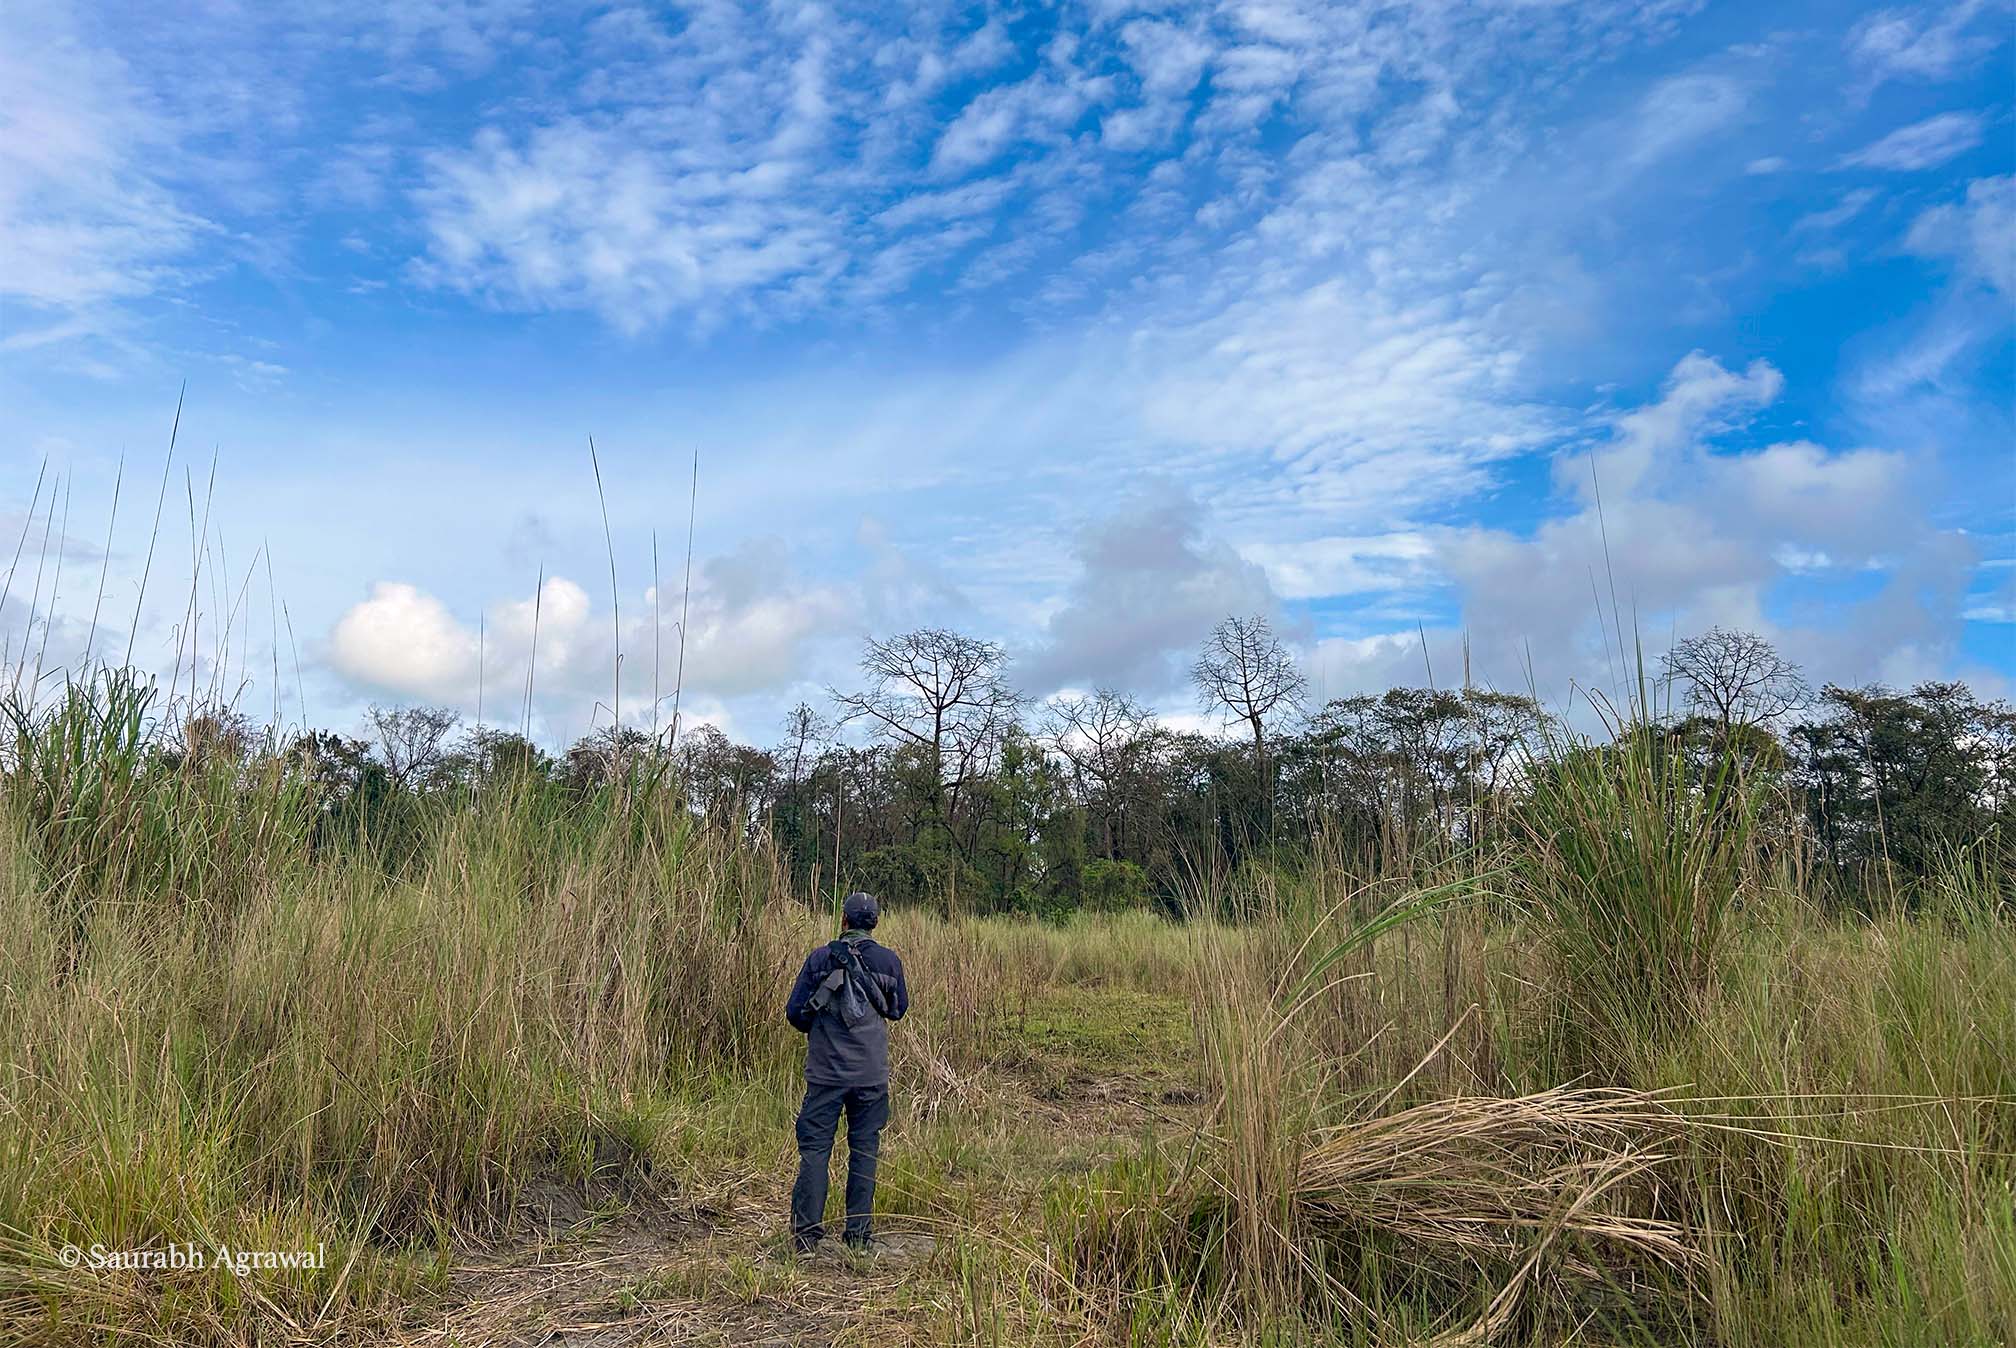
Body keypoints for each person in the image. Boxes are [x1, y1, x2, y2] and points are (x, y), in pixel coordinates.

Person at [783, 890, 909, 1254]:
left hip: (825, 1075)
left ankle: (805, 1237)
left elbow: (795, 1013)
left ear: (844, 920)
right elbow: (898, 1009)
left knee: (815, 1151)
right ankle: (858, 1237)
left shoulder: (820, 958)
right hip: (871, 1076)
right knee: (865, 1151)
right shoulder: (888, 961)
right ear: (875, 924)